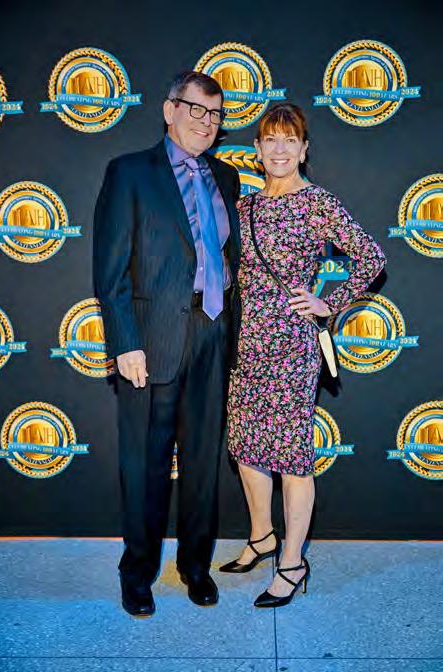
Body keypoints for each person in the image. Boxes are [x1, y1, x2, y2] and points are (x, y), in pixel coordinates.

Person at [220, 103, 386, 608]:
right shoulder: (245, 207)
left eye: (289, 140)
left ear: (304, 149)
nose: (279, 149)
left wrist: (329, 302)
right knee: (246, 446)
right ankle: (261, 538)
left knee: (291, 456)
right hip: (245, 344)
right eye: (270, 139)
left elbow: (371, 257)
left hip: (292, 346)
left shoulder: (317, 203)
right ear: (257, 148)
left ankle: (292, 563)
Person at [93, 71, 241, 617]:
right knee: (145, 466)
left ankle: (195, 567)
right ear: (169, 109)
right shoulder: (130, 172)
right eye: (196, 109)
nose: (207, 122)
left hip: (212, 333)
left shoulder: (226, 177)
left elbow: (227, 255)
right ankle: (137, 574)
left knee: (202, 463)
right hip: (150, 342)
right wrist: (124, 342)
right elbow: (110, 270)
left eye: (215, 113)